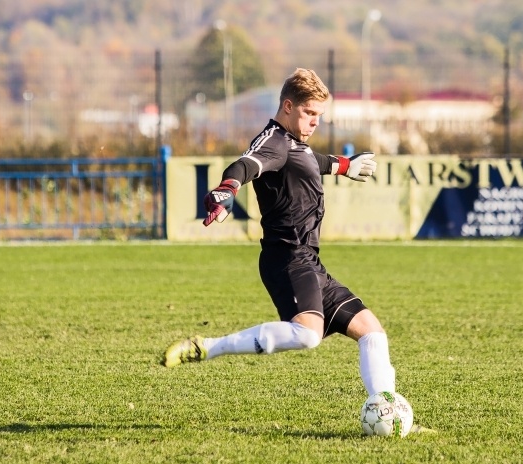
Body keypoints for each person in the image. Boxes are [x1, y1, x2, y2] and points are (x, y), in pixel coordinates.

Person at [161, 68, 398, 401]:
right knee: (307, 335)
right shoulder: (274, 142)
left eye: (320, 115)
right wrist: (227, 189)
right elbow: (245, 165)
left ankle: (386, 408)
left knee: (372, 332)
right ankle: (206, 347)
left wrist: (344, 165)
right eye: (310, 113)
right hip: (286, 258)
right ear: (288, 106)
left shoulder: (293, 143)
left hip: (309, 261)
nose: (316, 122)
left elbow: (311, 160)